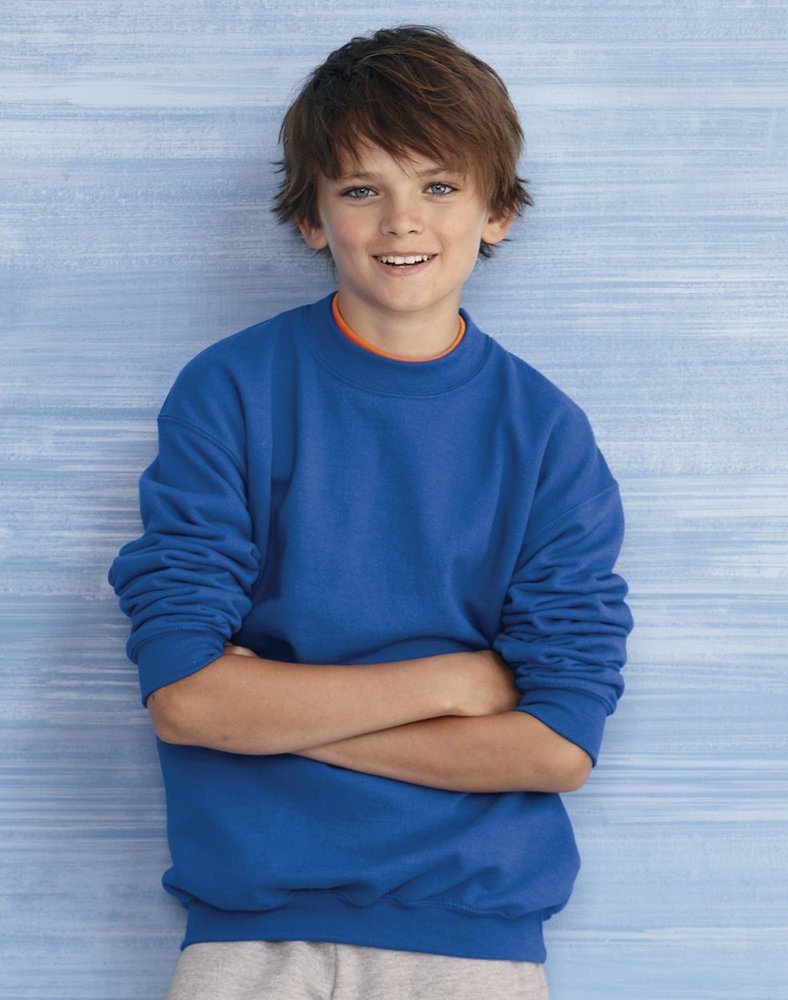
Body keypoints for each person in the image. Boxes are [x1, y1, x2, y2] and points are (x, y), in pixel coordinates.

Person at [108, 24, 633, 1000]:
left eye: (438, 186)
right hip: (252, 933)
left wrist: (271, 717)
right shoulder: (230, 391)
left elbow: (557, 745)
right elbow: (185, 698)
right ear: (312, 217)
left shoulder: (546, 435)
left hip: (471, 938)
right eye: (361, 189)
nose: (401, 222)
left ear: (496, 212)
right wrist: (456, 682)